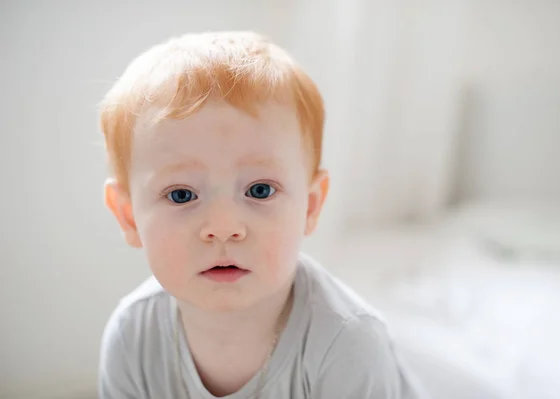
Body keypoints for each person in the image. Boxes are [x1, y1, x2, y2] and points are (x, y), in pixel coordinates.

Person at [98, 30, 422, 399]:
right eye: (182, 195)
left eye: (260, 190)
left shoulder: (346, 345)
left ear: (310, 206)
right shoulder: (132, 338)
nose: (224, 228)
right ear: (128, 216)